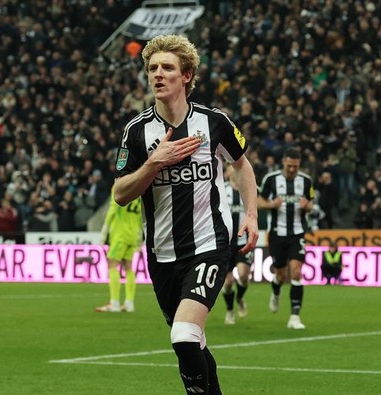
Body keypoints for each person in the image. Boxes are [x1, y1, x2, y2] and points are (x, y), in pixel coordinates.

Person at [113, 34, 259, 395]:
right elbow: (120, 193)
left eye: (167, 68)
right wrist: (154, 163)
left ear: (187, 75)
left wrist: (251, 215)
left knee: (183, 335)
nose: (157, 75)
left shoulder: (214, 122)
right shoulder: (137, 132)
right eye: (152, 68)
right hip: (162, 255)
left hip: (209, 244)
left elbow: (242, 166)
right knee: (194, 340)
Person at [258, 147, 314, 329]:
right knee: (280, 274)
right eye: (289, 166)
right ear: (283, 162)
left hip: (297, 232)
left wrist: (308, 207)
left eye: (295, 167)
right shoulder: (271, 179)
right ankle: (275, 292)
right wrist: (271, 204)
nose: (292, 170)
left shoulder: (306, 181)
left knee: (296, 272)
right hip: (276, 233)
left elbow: (311, 204)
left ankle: (294, 317)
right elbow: (259, 201)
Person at [95, 191, 143, 313]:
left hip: (120, 234)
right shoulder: (138, 191)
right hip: (133, 234)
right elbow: (140, 215)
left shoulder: (121, 185)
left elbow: (113, 208)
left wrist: (104, 230)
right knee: (128, 267)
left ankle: (114, 303)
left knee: (112, 264)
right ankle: (129, 303)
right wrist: (139, 236)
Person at [221, 164, 253, 325]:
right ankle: (229, 310)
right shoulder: (222, 190)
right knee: (227, 283)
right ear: (227, 172)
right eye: (230, 167)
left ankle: (239, 297)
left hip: (242, 241)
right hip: (225, 244)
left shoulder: (246, 190)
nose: (234, 168)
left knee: (243, 276)